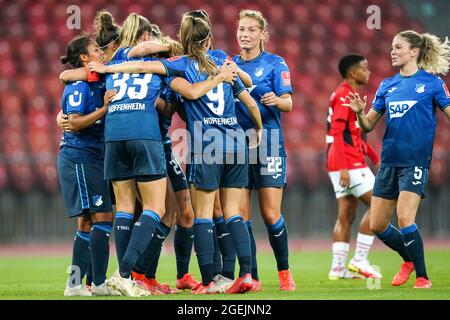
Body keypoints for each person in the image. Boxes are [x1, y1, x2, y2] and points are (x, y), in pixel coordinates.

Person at [90, 11, 264, 294]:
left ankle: (207, 281)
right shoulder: (222, 59)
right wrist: (256, 130)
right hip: (235, 142)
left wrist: (110, 69)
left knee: (200, 215)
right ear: (209, 37)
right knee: (233, 213)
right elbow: (250, 99)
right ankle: (244, 274)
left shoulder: (177, 65)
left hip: (205, 145)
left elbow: (165, 80)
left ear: (182, 39)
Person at [343, 30, 450, 289]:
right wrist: (359, 113)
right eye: (392, 46)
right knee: (377, 224)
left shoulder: (432, 83)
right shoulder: (387, 85)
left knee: (405, 218)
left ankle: (423, 277)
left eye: (398, 47)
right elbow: (368, 125)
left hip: (414, 162)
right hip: (389, 162)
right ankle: (408, 259)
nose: (393, 51)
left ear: (414, 51)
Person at [232, 9, 295, 291]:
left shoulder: (275, 63)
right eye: (241, 29)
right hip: (237, 145)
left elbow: (289, 103)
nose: (244, 34)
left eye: (251, 29)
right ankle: (251, 276)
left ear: (262, 34)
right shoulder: (230, 65)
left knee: (270, 214)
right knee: (242, 214)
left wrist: (275, 100)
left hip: (268, 143)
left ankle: (284, 272)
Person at [58, 34, 117, 296]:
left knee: (86, 223)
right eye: (95, 49)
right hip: (80, 157)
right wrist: (104, 109)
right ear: (84, 57)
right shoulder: (79, 85)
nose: (101, 52)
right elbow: (75, 122)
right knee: (103, 217)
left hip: (93, 156)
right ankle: (99, 283)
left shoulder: (96, 80)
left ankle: (75, 285)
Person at [326, 54, 382, 280]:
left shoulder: (347, 94)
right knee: (380, 204)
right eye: (364, 69)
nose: (368, 72)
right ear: (353, 73)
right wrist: (343, 168)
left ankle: (338, 268)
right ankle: (359, 260)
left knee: (346, 215)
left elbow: (355, 135)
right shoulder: (343, 94)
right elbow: (337, 133)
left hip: (342, 160)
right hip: (347, 161)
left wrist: (375, 158)